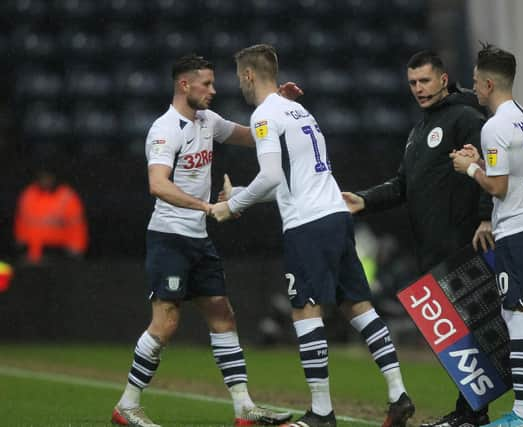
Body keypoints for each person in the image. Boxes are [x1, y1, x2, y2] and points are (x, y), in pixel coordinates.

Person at [210, 44, 415, 427]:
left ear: (249, 75)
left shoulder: (265, 115)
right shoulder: (299, 110)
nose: (239, 83)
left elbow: (271, 176)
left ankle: (322, 412)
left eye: (239, 76)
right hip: (335, 216)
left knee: (305, 311)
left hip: (307, 224)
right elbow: (288, 180)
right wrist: (240, 194)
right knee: (358, 307)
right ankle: (398, 393)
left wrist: (231, 207)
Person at [111, 54, 296, 427]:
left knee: (222, 314)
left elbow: (252, 134)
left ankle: (244, 408)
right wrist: (206, 207)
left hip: (198, 238)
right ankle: (127, 406)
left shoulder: (208, 121)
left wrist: (279, 105)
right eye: (207, 84)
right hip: (169, 238)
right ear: (185, 85)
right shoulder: (166, 129)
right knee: (165, 324)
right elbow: (157, 184)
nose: (214, 90)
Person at [342, 51, 493, 427]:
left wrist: (486, 217)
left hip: (463, 244)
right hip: (431, 246)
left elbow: (489, 164)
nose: (418, 89)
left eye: (424, 81)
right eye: (412, 83)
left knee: (473, 329)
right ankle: (467, 411)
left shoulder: (466, 118)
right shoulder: (420, 129)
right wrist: (364, 200)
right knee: (454, 336)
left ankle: (475, 413)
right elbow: (403, 186)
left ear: (443, 79)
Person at [450, 43, 523, 427]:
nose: (474, 87)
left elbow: (497, 188)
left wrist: (468, 168)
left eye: (476, 82)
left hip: (518, 229)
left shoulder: (494, 126)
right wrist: (482, 162)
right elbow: (515, 170)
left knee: (516, 316)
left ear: (490, 83)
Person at [14, 169, 89, 264]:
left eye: (48, 177)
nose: (45, 181)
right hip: (31, 252)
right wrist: (20, 242)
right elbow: (21, 221)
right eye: (43, 177)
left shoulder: (66, 196)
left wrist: (77, 248)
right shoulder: (29, 194)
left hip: (59, 249)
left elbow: (77, 225)